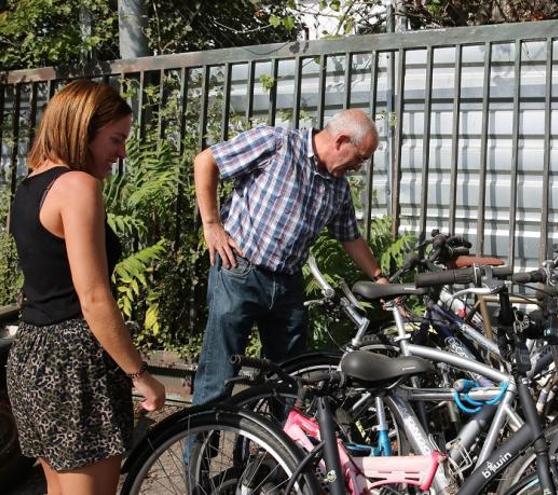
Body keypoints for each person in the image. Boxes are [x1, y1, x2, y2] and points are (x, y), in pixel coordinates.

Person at [6, 80, 166, 495]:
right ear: (83, 129)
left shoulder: (28, 187)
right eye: (116, 139)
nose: (122, 153)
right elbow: (93, 297)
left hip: (32, 356)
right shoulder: (77, 186)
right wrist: (141, 374)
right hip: (74, 364)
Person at [191, 109, 389, 407]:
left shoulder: (337, 188)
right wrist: (212, 225)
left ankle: (277, 452)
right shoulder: (277, 143)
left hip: (287, 286)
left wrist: (379, 277)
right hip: (239, 272)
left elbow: (350, 237)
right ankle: (197, 453)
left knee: (290, 382)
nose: (359, 167)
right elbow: (206, 160)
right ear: (341, 141)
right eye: (360, 157)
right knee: (218, 377)